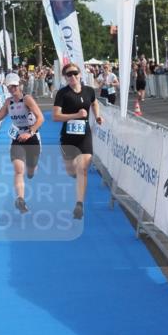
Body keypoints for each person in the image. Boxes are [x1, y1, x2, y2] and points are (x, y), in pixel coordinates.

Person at [0, 72, 45, 213]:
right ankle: (20, 199)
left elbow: (41, 118)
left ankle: (31, 171)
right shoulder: (8, 102)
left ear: (19, 85)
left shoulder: (27, 99)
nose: (12, 89)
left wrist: (30, 132)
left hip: (32, 136)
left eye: (14, 86)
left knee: (31, 170)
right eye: (9, 87)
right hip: (17, 138)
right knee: (18, 170)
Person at [53, 63, 103, 220]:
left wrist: (97, 115)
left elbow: (94, 102)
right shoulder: (63, 94)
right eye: (69, 74)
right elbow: (56, 116)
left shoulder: (89, 91)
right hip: (68, 138)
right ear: (65, 78)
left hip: (84, 136)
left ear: (80, 74)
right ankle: (74, 173)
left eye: (75, 73)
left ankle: (79, 204)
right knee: (71, 170)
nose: (73, 76)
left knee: (83, 168)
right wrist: (75, 115)